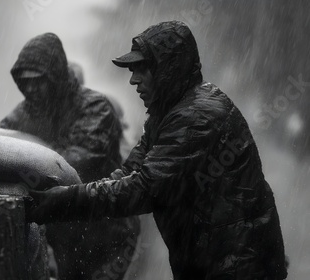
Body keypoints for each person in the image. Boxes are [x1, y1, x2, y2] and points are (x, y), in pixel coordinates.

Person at [26, 21, 288, 280]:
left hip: (240, 264)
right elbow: (129, 174)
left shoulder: (196, 117)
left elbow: (142, 190)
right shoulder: (167, 114)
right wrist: (64, 195)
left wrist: (63, 201)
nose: (133, 80)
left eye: (141, 69)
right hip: (215, 261)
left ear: (167, 70)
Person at [0, 33, 140, 280]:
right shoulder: (22, 115)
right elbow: (1, 147)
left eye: (37, 80)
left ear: (54, 76)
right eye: (24, 81)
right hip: (61, 235)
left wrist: (26, 163)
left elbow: (77, 161)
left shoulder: (95, 107)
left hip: (106, 231)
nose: (30, 88)